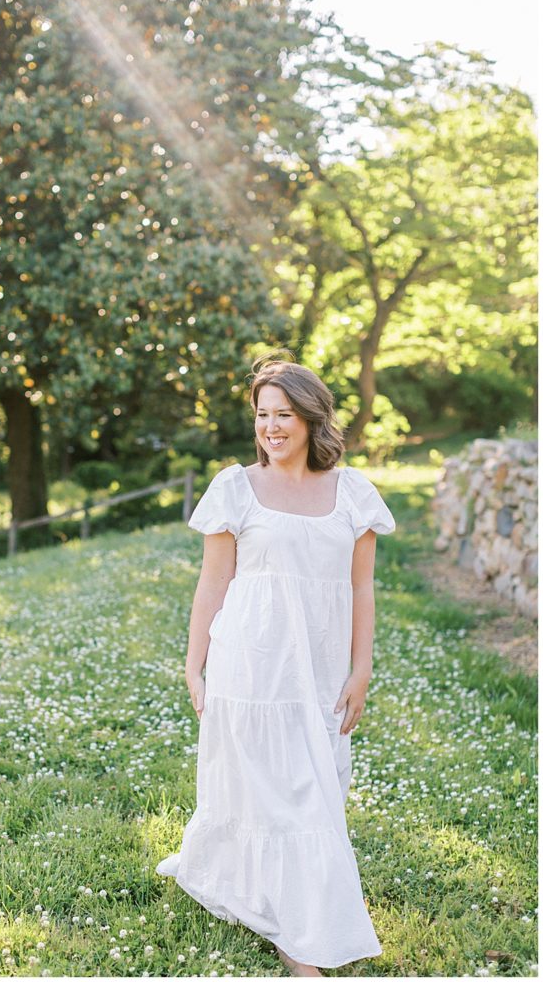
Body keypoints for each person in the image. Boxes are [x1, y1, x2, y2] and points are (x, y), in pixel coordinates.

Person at [156, 352, 396, 976]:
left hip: (317, 674)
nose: (271, 428)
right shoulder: (234, 488)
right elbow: (212, 585)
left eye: (284, 414)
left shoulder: (353, 493)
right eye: (262, 415)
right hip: (250, 666)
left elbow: (362, 589)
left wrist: (361, 667)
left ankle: (282, 901)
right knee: (269, 796)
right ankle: (298, 941)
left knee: (315, 795)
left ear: (313, 418)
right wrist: (194, 664)